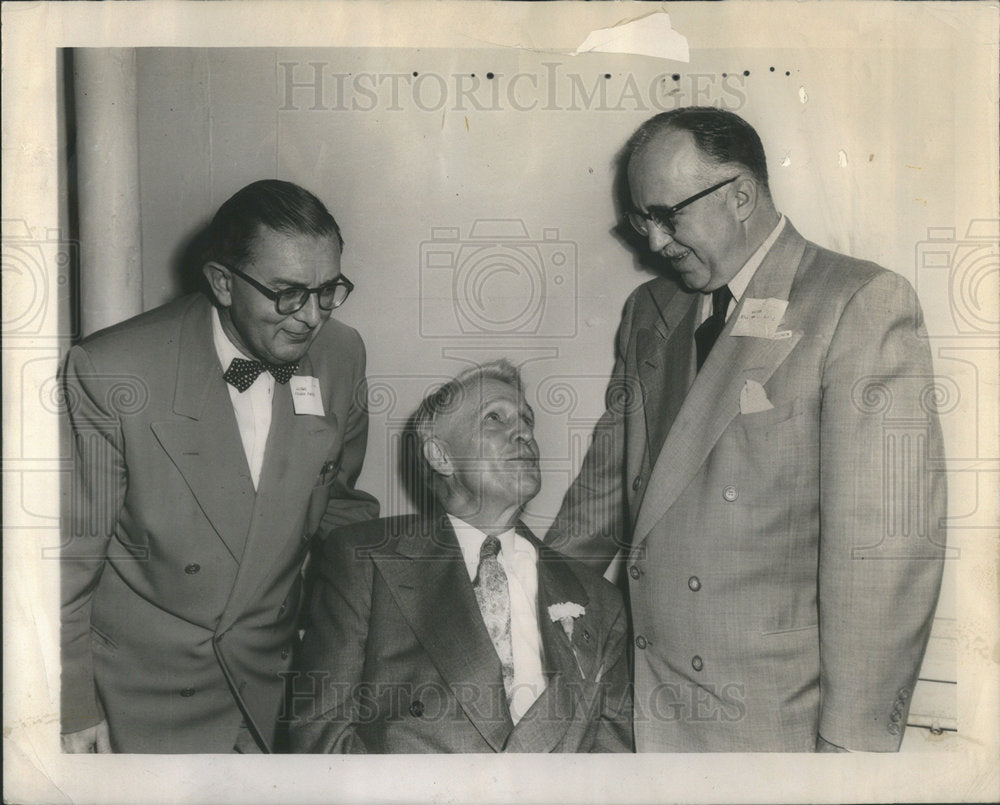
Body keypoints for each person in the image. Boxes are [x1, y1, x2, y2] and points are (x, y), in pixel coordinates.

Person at [547, 107, 947, 752]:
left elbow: (885, 551)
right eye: (641, 220)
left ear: (739, 196)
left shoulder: (857, 302)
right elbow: (601, 494)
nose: (655, 243)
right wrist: (525, 612)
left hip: (768, 720)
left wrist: (850, 745)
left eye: (667, 216)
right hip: (636, 704)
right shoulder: (650, 310)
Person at [60, 179, 379, 753]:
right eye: (288, 293)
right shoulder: (113, 372)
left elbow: (339, 511)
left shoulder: (342, 355)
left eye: (328, 290)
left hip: (273, 688)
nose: (311, 317)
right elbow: (65, 567)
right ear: (222, 282)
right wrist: (71, 708)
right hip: (138, 699)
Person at [288, 360, 633, 753]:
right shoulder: (366, 559)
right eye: (495, 418)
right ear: (441, 456)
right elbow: (322, 739)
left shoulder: (600, 600)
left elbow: (614, 764)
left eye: (527, 420)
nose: (524, 433)